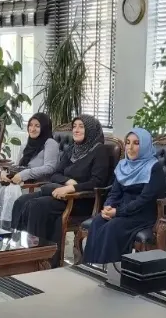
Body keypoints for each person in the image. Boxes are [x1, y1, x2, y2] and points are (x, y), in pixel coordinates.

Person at [11, 115, 112, 268]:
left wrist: (73, 188)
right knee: (21, 201)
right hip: (60, 193)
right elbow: (55, 174)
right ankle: (17, 252)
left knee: (35, 205)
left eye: (81, 127)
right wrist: (68, 182)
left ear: (90, 130)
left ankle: (39, 259)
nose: (76, 130)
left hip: (81, 200)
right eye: (74, 126)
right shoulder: (73, 149)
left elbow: (98, 182)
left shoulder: (100, 151)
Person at [83, 128, 165, 264]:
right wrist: (108, 206)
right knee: (97, 221)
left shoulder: (154, 168)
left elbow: (144, 200)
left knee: (112, 227)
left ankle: (108, 270)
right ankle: (90, 267)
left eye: (136, 143)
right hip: (121, 210)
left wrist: (118, 212)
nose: (130, 147)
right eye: (127, 142)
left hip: (142, 214)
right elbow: (114, 192)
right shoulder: (123, 165)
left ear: (145, 146)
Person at [0, 112, 59, 225]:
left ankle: (10, 227)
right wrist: (5, 172)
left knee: (8, 190)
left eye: (37, 126)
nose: (32, 129)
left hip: (37, 185)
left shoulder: (50, 143)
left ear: (44, 127)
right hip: (21, 181)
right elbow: (18, 166)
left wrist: (25, 174)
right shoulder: (26, 144)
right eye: (30, 125)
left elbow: (50, 168)